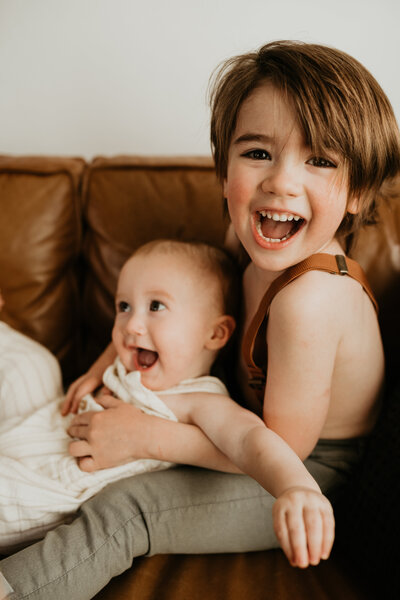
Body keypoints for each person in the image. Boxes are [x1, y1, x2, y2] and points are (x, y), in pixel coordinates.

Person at [1, 40, 399, 600]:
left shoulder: (311, 298)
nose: (281, 182)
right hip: (238, 429)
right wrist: (103, 363)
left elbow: (284, 448)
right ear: (222, 169)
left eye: (320, 160)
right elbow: (166, 313)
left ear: (357, 191)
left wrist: (148, 438)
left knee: (126, 509)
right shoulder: (246, 237)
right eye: (258, 153)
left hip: (303, 476)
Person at [0, 240, 239, 553]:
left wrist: (294, 487)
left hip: (49, 487)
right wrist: (95, 373)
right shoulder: (133, 361)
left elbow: (251, 443)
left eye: (156, 306)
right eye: (123, 307)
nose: (131, 325)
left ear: (215, 334)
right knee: (32, 364)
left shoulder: (201, 401)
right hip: (38, 430)